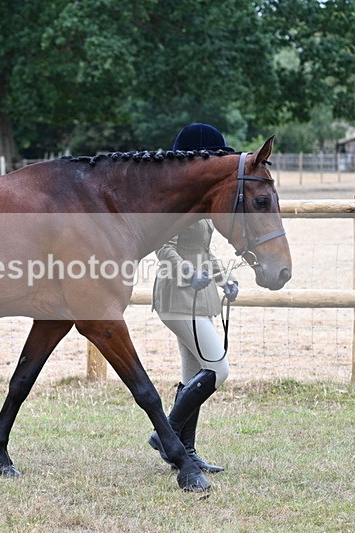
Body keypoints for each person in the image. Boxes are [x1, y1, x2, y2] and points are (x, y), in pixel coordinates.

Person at [148, 123, 240, 474]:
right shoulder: (174, 198)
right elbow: (163, 247)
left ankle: (185, 452)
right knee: (218, 369)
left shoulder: (198, 199)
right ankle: (166, 433)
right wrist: (189, 274)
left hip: (199, 297)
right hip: (177, 293)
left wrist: (225, 277)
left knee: (193, 378)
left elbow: (203, 250)